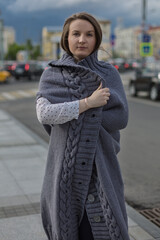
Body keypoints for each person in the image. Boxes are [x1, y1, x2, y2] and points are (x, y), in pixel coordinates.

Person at [36, 12, 130, 240]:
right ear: (66, 39)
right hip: (64, 172)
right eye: (75, 34)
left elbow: (120, 117)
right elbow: (44, 114)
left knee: (107, 228)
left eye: (89, 35)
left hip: (102, 171)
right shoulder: (52, 75)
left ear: (97, 39)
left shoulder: (109, 74)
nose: (82, 40)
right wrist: (88, 103)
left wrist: (72, 113)